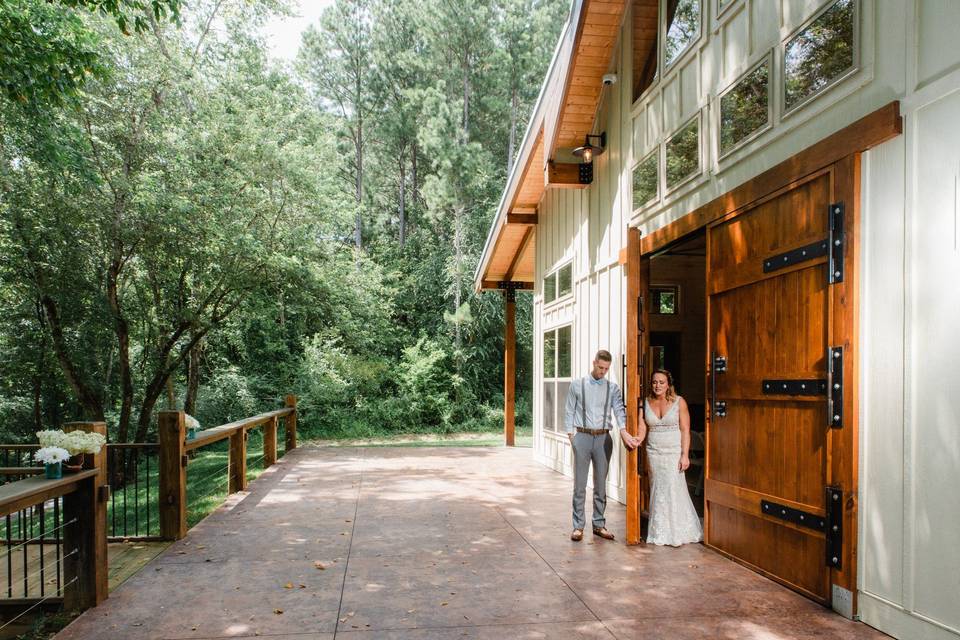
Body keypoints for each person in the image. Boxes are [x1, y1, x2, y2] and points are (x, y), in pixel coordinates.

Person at [564, 350, 641, 542]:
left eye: (606, 369)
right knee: (580, 485)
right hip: (581, 436)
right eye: (600, 367)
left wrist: (623, 430)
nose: (602, 372)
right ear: (594, 363)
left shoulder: (612, 388)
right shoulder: (577, 385)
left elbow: (619, 411)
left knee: (600, 485)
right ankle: (578, 526)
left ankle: (599, 524)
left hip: (604, 439)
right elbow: (569, 411)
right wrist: (571, 436)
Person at [642, 369, 703, 546]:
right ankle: (659, 531)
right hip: (653, 453)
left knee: (673, 490)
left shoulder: (679, 402)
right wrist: (637, 438)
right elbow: (642, 427)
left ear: (668, 384)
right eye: (654, 382)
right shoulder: (645, 402)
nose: (657, 385)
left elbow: (685, 430)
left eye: (661, 382)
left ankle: (677, 531)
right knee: (657, 490)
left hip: (673, 453)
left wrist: (685, 455)